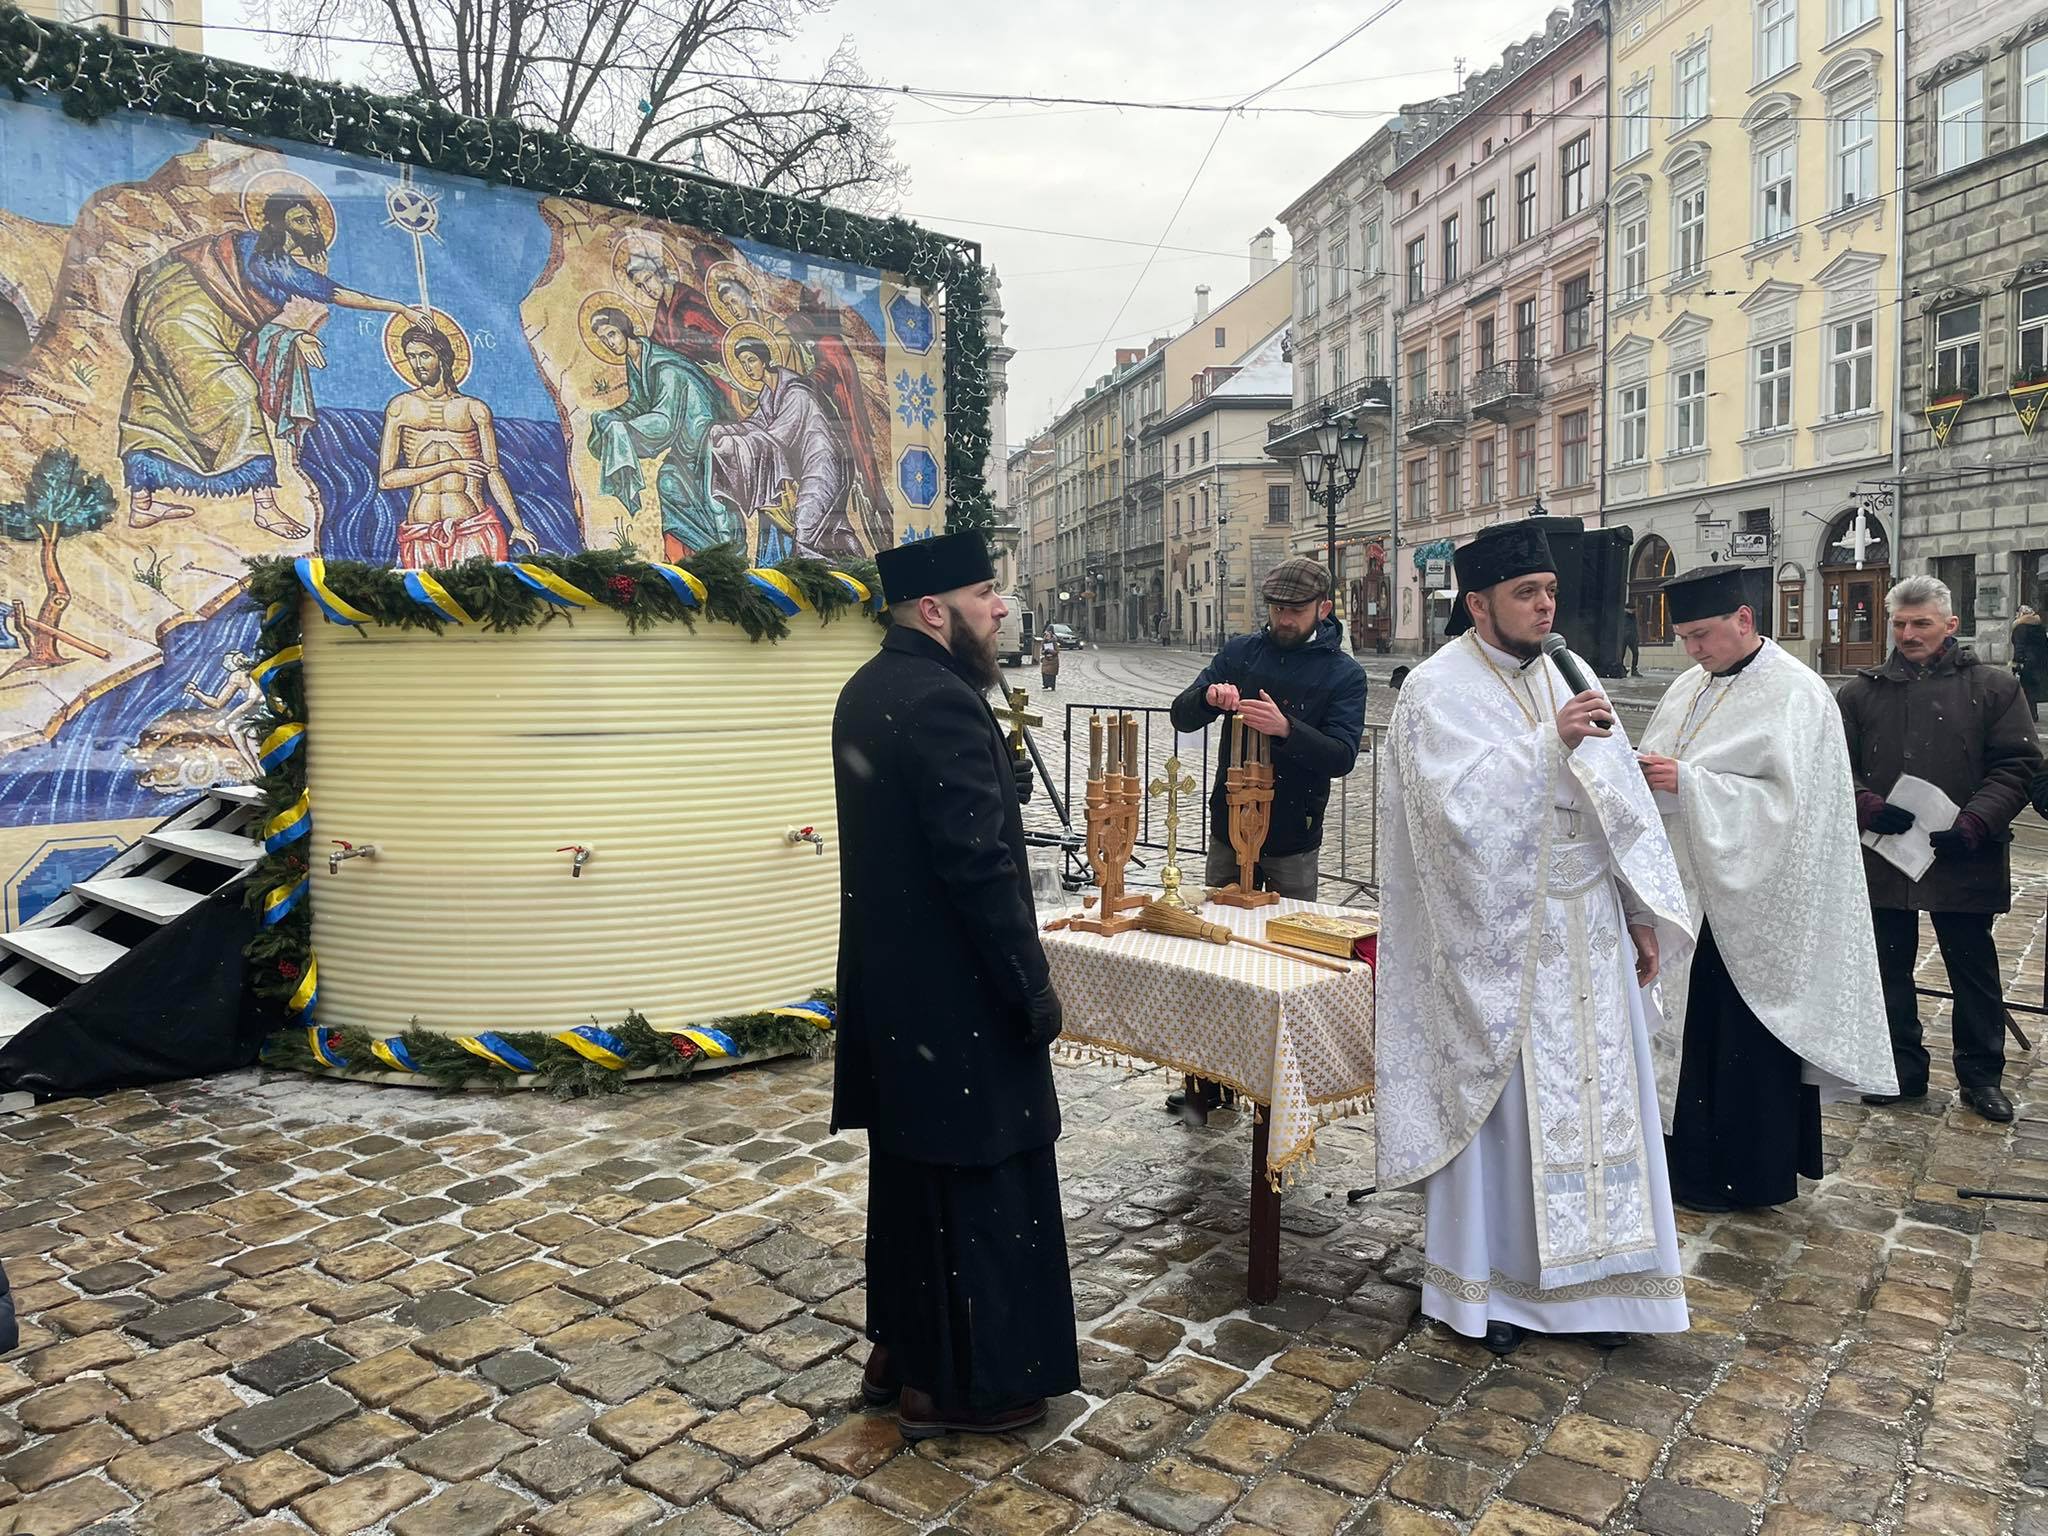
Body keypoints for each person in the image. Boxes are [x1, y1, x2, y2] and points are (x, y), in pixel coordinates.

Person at [1377, 521, 1694, 1356]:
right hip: (1504, 944)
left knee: (1603, 1112)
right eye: (1527, 593)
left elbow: (1615, 798)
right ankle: (1498, 1294)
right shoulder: (1437, 688)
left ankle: (1605, 1292)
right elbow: (1447, 814)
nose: (1545, 604)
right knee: (1516, 1121)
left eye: (1550, 590)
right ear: (1477, 603)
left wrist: (1635, 911)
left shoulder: (1564, 670)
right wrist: (1546, 744)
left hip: (1587, 929)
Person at [830, 529, 1076, 1438]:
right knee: (979, 1192)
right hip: (959, 1000)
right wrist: (1030, 985)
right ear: (934, 610)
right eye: (985, 593)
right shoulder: (937, 701)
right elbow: (978, 870)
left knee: (912, 1184)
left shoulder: (871, 688)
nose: (1001, 606)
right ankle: (960, 1385)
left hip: (901, 999)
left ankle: (900, 1349)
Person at [1637, 566, 1897, 1213]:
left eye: (1702, 635)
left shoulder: (1797, 693)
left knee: (1741, 1046)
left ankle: (1745, 1176)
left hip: (1758, 907)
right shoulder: (1687, 688)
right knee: (1691, 1037)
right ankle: (1682, 1167)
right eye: (1685, 638)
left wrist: (1690, 785)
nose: (1693, 650)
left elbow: (1795, 808)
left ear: (1744, 621)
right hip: (1691, 900)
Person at [1164, 556, 1366, 1117]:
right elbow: (1181, 716)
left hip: (1292, 834)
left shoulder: (1343, 674)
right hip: (1230, 827)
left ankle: (1281, 1083)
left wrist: (1286, 729)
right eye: (1275, 609)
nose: (1282, 619)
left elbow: (1342, 756)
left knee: (1288, 960)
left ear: (1323, 610)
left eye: (1294, 611)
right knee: (1211, 953)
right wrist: (1207, 700)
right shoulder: (1240, 653)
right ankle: (1205, 1080)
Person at [1838, 574, 2040, 1124]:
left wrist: (1976, 822)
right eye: (1899, 624)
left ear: (1949, 624)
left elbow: (2018, 765)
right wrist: (1866, 804)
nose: (1908, 634)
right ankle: (1901, 1069)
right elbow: (1833, 766)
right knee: (1888, 968)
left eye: (1921, 623)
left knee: (1972, 970)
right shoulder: (1860, 692)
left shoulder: (1994, 687)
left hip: (1963, 854)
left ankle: (1981, 1077)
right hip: (1884, 854)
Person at [119, 194, 432, 540]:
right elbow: (330, 291)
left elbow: (239, 319)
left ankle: (142, 503)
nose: (310, 227)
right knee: (240, 392)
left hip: (162, 321)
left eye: (312, 220)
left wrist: (294, 338)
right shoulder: (265, 254)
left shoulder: (249, 253)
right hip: (183, 321)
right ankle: (265, 507)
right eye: (300, 220)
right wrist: (398, 308)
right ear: (278, 224)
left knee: (154, 401)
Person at [379, 323, 539, 568]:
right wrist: (452, 465)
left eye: (425, 355)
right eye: (411, 357)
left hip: (473, 527)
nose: (417, 364)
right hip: (421, 533)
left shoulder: (474, 409)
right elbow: (387, 479)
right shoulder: (400, 407)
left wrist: (517, 525)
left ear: (442, 357)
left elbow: (492, 472)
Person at [586, 307, 736, 563]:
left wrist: (626, 429)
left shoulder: (665, 368)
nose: (609, 343)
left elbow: (664, 422)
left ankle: (730, 559)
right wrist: (610, 416)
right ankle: (687, 558)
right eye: (603, 340)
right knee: (668, 481)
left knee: (715, 500)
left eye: (611, 334)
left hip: (707, 441)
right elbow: (640, 405)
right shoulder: (636, 361)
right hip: (686, 444)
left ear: (625, 329)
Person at [709, 338, 863, 563]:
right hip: (806, 469)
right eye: (743, 363)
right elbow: (756, 425)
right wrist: (725, 430)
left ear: (766, 360)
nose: (748, 367)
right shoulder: (767, 396)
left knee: (805, 529)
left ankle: (847, 579)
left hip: (821, 466)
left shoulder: (795, 394)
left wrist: (733, 444)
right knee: (834, 530)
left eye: (752, 360)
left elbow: (777, 436)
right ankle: (864, 569)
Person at [2012, 604, 2048, 722]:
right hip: (2039, 662)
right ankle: (2033, 714)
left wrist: (2017, 662)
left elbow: (2019, 646)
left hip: (2026, 662)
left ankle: (2029, 715)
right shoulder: (2039, 627)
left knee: (2026, 689)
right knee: (2033, 689)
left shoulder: (2020, 627)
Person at [1038, 625, 1060, 692]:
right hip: (1046, 659)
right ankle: (1045, 684)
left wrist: (1050, 651)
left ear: (1050, 634)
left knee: (1052, 673)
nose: (1046, 636)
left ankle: (1052, 686)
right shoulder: (1044, 641)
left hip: (1053, 660)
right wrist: (1045, 651)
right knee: (1044, 671)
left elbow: (1057, 651)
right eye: (1046, 634)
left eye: (1048, 634)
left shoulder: (1054, 641)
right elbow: (1042, 651)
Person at [1622, 609, 1642, 678]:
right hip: (1624, 638)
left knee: (1635, 653)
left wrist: (1636, 637)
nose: (1633, 611)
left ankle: (1634, 670)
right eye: (1632, 610)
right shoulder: (1623, 615)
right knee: (1621, 654)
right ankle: (1622, 669)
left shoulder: (1633, 617)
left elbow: (1635, 627)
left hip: (1632, 638)